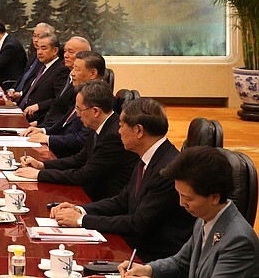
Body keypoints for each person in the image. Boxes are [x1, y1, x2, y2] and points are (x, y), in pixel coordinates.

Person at [51, 98, 195, 262]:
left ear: (139, 131)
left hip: (151, 257)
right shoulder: (148, 157)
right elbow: (122, 200)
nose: (118, 131)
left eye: (121, 125)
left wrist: (80, 220)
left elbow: (137, 223)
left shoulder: (167, 169)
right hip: (134, 246)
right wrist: (81, 210)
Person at [118, 146, 259, 277]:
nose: (181, 203)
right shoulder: (204, 219)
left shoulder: (239, 241)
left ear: (214, 197)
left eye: (187, 198)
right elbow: (181, 262)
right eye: (179, 195)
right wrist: (148, 269)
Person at [16, 80, 138, 201]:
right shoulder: (99, 125)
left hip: (103, 200)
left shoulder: (113, 136)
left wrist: (38, 175)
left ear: (95, 111)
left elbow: (83, 175)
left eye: (79, 110)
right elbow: (78, 159)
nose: (78, 115)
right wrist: (42, 165)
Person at [24, 50, 106, 157]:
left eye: (77, 69)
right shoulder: (82, 93)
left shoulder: (98, 99)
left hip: (68, 156)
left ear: (93, 73)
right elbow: (64, 123)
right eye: (72, 68)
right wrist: (43, 130)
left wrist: (49, 139)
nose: (72, 73)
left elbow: (81, 139)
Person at [24, 36, 91, 127]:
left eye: (70, 52)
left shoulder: (82, 84)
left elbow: (65, 118)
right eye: (65, 51)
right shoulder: (69, 76)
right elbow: (56, 107)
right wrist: (39, 124)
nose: (65, 55)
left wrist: (44, 131)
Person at [15, 33, 69, 120]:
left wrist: (38, 106)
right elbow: (31, 89)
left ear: (55, 50)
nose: (39, 52)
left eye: (43, 48)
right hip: (19, 110)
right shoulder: (41, 65)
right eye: (37, 48)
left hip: (36, 118)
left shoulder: (61, 70)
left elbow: (59, 99)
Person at [11, 23, 56, 94]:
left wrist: (21, 94)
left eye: (40, 36)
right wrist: (12, 89)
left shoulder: (47, 61)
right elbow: (24, 75)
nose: (35, 40)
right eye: (34, 36)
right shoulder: (34, 54)